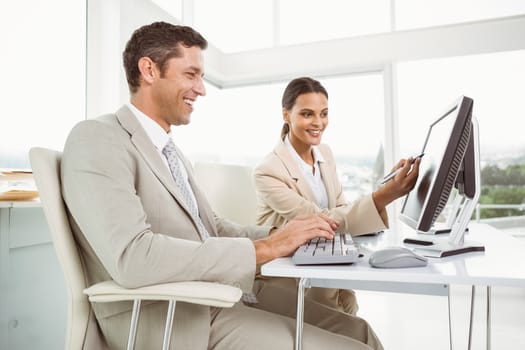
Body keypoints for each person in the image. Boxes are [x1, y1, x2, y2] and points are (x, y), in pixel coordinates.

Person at [61, 22, 383, 350]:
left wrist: (284, 235)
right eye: (191, 74)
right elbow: (133, 256)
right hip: (171, 315)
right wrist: (265, 250)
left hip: (220, 295)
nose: (201, 89)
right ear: (149, 69)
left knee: (360, 333)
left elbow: (213, 227)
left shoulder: (170, 152)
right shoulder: (98, 138)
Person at [253, 77, 420, 317]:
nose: (318, 122)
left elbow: (340, 206)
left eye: (324, 113)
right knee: (342, 320)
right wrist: (383, 197)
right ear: (286, 115)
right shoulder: (268, 170)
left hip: (325, 261)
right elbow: (317, 221)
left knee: (348, 307)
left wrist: (384, 188)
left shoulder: (325, 153)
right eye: (307, 114)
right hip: (287, 273)